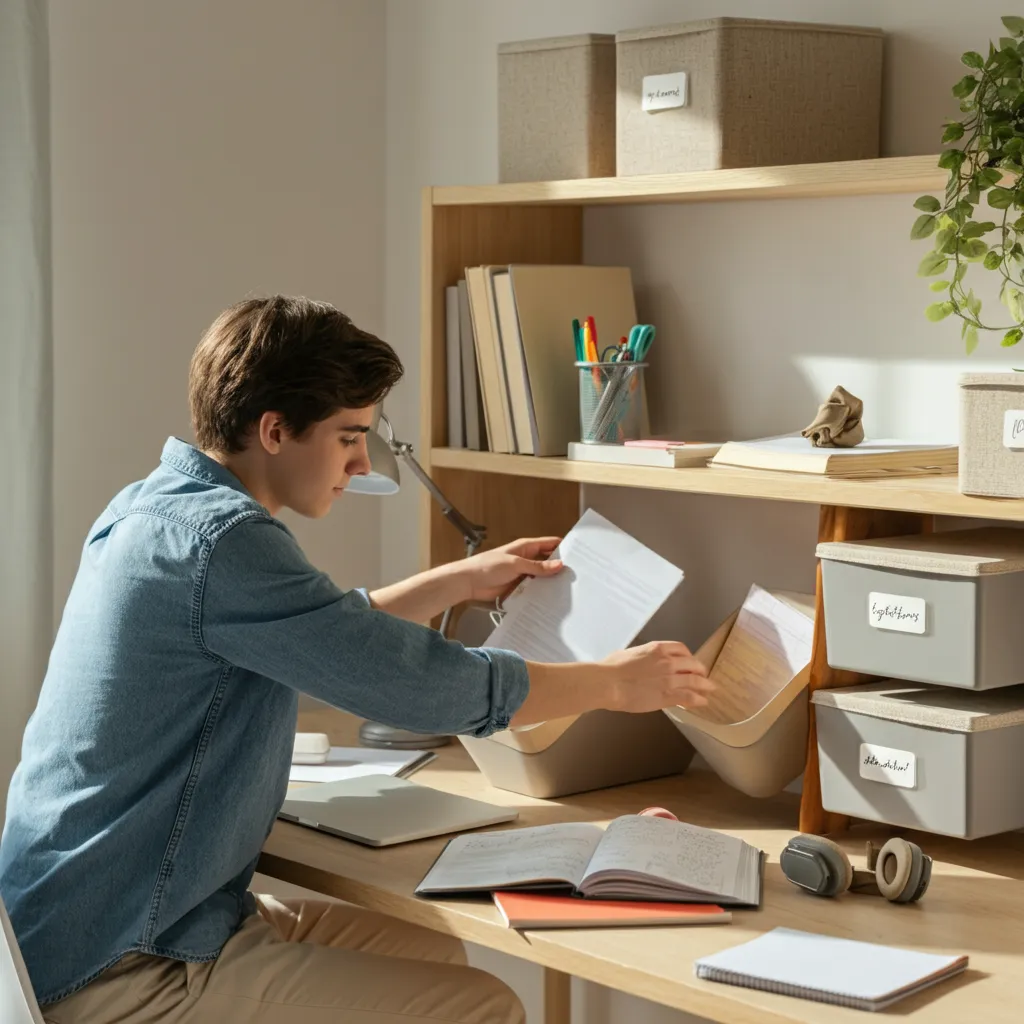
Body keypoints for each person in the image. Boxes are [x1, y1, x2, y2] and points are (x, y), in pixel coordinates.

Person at [0, 296, 713, 1024]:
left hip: (97, 920)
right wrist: (613, 684)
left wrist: (458, 580)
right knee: (480, 1008)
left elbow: (320, 632)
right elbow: (415, 684)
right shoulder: (224, 542)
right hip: (125, 959)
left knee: (431, 959)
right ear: (275, 431)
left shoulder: (154, 508)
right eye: (348, 437)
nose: (361, 463)